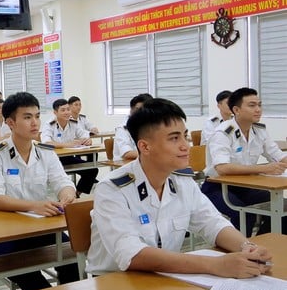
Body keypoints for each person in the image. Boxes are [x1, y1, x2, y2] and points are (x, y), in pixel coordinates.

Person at [86, 98, 273, 278]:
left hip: (163, 275)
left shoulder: (182, 180)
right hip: (114, 282)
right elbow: (132, 255)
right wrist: (215, 265)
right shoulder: (112, 189)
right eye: (174, 138)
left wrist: (246, 247)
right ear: (145, 146)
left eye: (185, 136)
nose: (186, 145)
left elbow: (212, 223)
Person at [0, 92, 79, 290]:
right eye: (27, 117)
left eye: (36, 116)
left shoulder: (45, 151)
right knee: (34, 283)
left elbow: (62, 182)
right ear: (10, 122)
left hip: (40, 226)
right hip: (4, 232)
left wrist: (67, 195)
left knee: (73, 260)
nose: (35, 122)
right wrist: (34, 206)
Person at [201, 87, 287, 236]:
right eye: (252, 105)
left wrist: (275, 164)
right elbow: (222, 168)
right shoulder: (223, 132)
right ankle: (238, 251)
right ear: (236, 110)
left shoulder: (259, 130)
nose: (258, 109)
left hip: (246, 186)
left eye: (259, 105)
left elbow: (278, 155)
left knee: (282, 207)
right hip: (218, 187)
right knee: (245, 214)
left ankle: (263, 242)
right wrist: (264, 169)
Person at [40, 98, 98, 196]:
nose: (67, 112)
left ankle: (76, 194)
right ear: (55, 112)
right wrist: (68, 144)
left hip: (68, 157)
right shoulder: (49, 124)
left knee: (92, 170)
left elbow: (83, 134)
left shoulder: (73, 123)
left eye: (68, 109)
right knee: (61, 178)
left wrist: (87, 140)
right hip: (53, 159)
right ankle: (64, 196)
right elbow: (46, 143)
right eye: (63, 110)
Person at [113, 93, 152, 160]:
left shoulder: (150, 126)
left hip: (146, 162)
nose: (141, 113)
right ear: (131, 110)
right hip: (126, 166)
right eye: (138, 109)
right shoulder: (122, 129)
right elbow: (127, 154)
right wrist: (153, 154)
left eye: (144, 110)